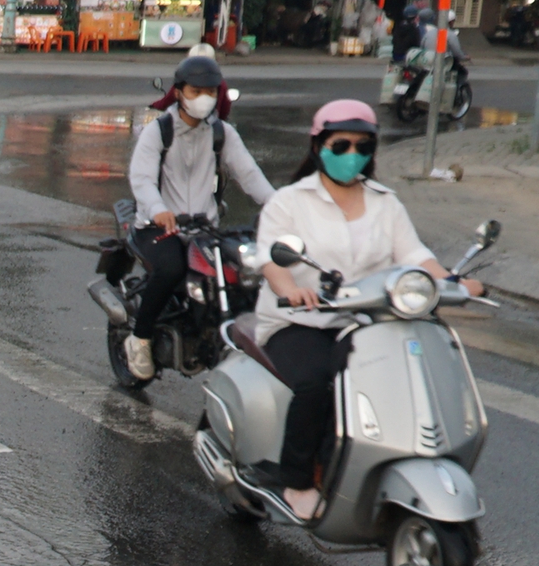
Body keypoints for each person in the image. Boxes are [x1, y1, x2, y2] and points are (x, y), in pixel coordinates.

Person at [252, 99, 480, 521]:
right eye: (340, 146)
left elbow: (414, 255)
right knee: (318, 382)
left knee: (410, 373)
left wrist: (453, 283)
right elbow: (270, 258)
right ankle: (299, 479)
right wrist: (291, 290)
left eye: (362, 146)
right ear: (319, 146)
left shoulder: (385, 202)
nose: (351, 155)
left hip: (366, 323)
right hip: (299, 321)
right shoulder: (289, 201)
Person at [118, 52, 278, 383]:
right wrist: (158, 210)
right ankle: (140, 339)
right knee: (171, 267)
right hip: (157, 227)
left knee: (246, 272)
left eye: (209, 92)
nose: (203, 98)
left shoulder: (223, 134)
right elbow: (142, 179)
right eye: (195, 91)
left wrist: (281, 205)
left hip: (205, 228)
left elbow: (249, 175)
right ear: (178, 92)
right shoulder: (158, 132)